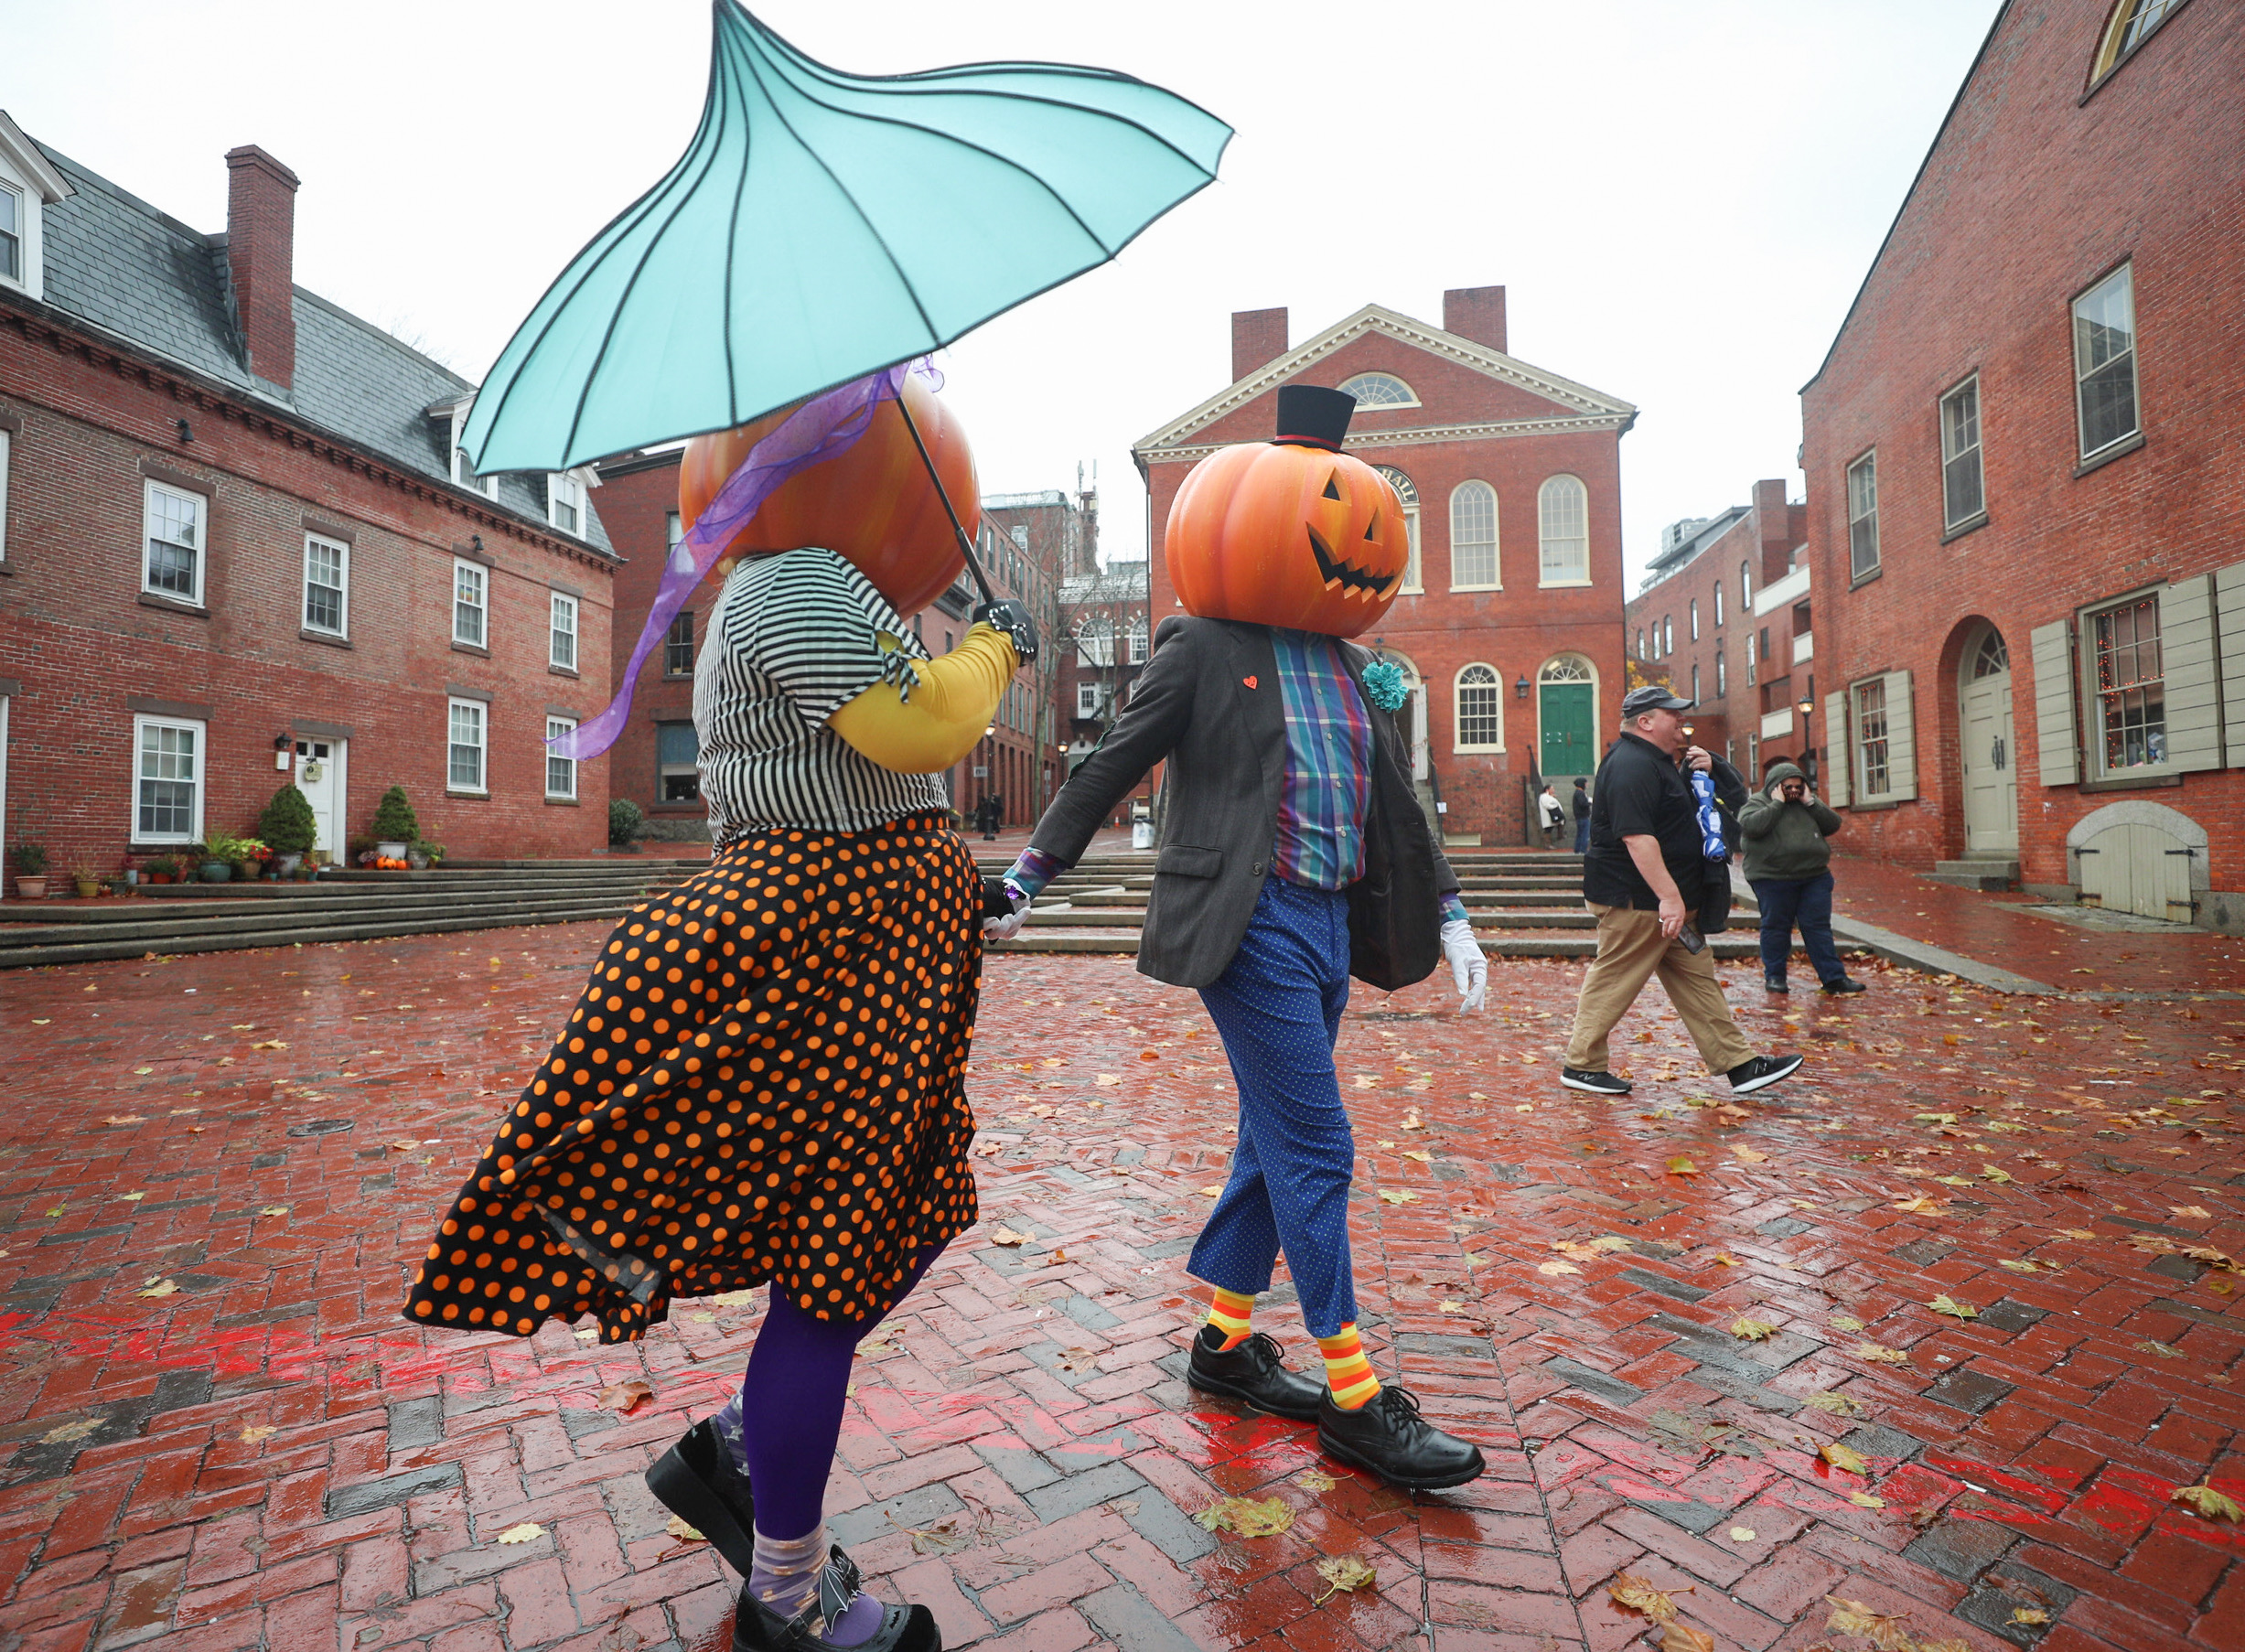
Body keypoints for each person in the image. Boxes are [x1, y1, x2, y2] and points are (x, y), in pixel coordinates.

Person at [405, 370, 1039, 1652]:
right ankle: (786, 1597)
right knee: (837, 1255)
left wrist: (949, 890)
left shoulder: (825, 583)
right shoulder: (797, 573)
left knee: (903, 1217)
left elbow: (870, 764)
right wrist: (996, 645)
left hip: (879, 950)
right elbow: (917, 726)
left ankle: (742, 1449)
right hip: (835, 952)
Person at [986, 386, 1489, 1492]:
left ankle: (1224, 1345)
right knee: (1320, 1147)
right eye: (1334, 517)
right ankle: (1356, 1399)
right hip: (1248, 922)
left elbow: (1396, 807)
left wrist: (1451, 911)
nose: (1359, 542)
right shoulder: (1203, 647)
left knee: (1272, 1137)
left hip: (1329, 922)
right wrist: (1029, 876)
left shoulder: (1357, 671)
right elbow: (1109, 763)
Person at [1560, 685, 1801, 1099]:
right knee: (1615, 977)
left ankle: (1739, 1064)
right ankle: (1582, 1065)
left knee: (1697, 980)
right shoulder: (1632, 765)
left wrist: (1714, 767)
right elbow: (1637, 838)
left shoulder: (1658, 762)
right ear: (1646, 722)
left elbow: (1724, 805)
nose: (1681, 721)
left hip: (1666, 904)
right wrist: (1669, 898)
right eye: (1672, 715)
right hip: (1639, 901)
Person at [1740, 760, 1864, 994]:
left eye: (1799, 786)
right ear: (1776, 786)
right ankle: (1775, 978)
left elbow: (1832, 824)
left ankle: (1834, 978)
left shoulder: (1807, 803)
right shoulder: (1758, 803)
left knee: (1818, 928)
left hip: (1814, 876)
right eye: (1789, 787)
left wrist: (1811, 802)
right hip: (1772, 877)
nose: (1794, 791)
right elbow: (1751, 827)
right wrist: (1777, 804)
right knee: (1776, 927)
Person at [1538, 783, 1565, 847]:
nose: (1553, 790)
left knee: (1561, 822)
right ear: (1547, 790)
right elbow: (1546, 805)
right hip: (1549, 815)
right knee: (1548, 829)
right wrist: (1554, 806)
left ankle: (1560, 835)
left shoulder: (1548, 796)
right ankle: (1548, 844)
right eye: (1552, 789)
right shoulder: (1544, 796)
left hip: (1553, 814)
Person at [1571, 777, 1591, 853]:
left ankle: (1577, 849)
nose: (1587, 785)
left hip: (1579, 817)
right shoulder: (1580, 793)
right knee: (1584, 834)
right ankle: (1583, 849)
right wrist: (1589, 802)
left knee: (1580, 834)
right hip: (1583, 816)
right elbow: (1583, 803)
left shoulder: (1577, 793)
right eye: (1586, 783)